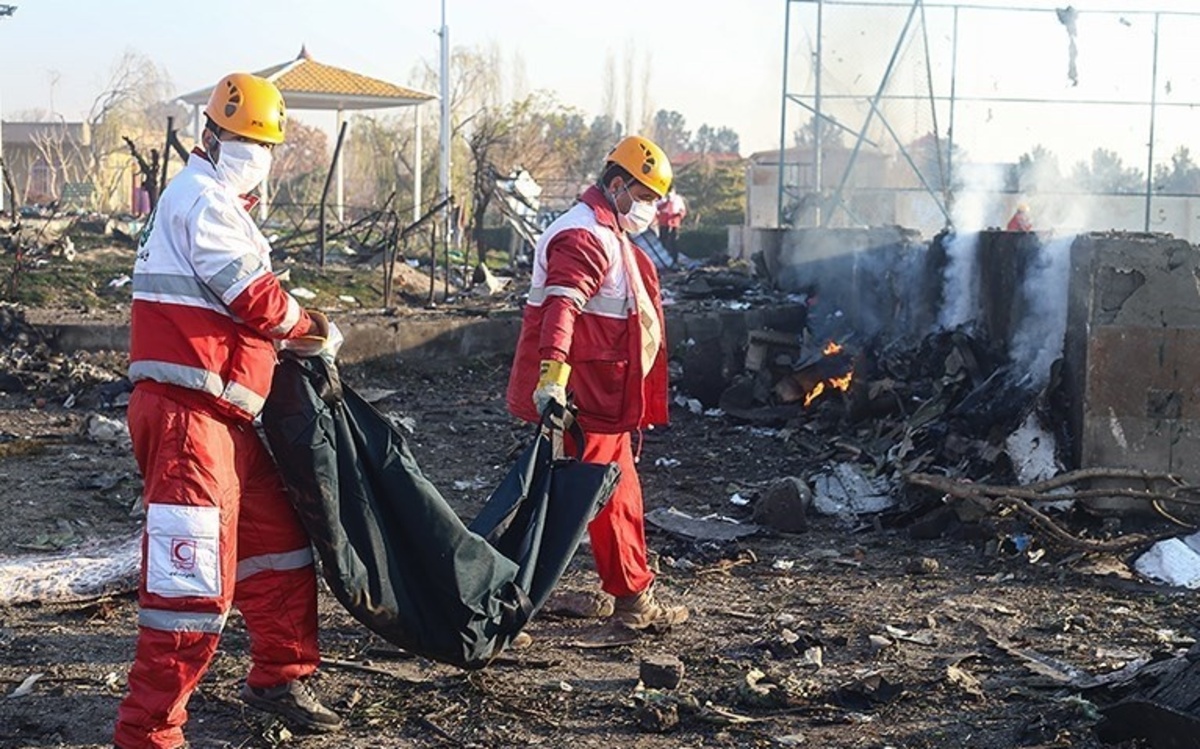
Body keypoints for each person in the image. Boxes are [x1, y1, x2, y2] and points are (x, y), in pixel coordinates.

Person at [114, 72, 344, 749]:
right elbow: (257, 299)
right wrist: (314, 326)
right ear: (209, 135)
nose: (253, 152)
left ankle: (279, 673)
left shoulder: (215, 201)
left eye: (263, 143)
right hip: (190, 421)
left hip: (222, 419)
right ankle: (150, 732)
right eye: (242, 139)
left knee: (278, 544)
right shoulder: (202, 198)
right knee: (188, 589)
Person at [506, 135, 689, 633]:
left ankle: (630, 597)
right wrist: (552, 378)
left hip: (598, 391)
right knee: (571, 500)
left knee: (612, 493)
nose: (650, 209)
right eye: (646, 197)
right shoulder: (584, 235)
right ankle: (506, 605)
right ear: (616, 185)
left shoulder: (605, 230)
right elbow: (562, 310)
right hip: (582, 394)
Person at [655, 186, 687, 261]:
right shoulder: (662, 198)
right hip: (664, 222)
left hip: (674, 222)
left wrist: (678, 215)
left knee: (674, 240)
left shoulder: (678, 199)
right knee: (663, 240)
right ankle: (663, 258)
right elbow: (657, 208)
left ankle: (675, 258)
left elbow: (682, 210)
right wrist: (667, 202)